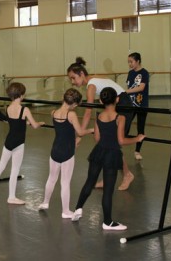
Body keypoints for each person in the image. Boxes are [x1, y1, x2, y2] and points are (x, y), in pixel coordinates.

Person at [71, 87, 146, 230]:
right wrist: (137, 138)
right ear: (117, 99)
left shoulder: (99, 116)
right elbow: (121, 141)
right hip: (112, 155)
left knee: (89, 182)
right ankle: (107, 222)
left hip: (98, 152)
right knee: (108, 190)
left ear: (101, 100)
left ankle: (78, 209)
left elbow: (97, 138)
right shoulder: (120, 118)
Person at [67, 56, 134, 190]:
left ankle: (127, 175)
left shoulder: (91, 86)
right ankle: (108, 177)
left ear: (81, 74)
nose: (72, 82)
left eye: (73, 78)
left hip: (123, 106)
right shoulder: (93, 78)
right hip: (116, 105)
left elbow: (88, 112)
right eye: (70, 79)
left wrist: (79, 136)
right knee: (105, 142)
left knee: (113, 144)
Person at [38, 88, 94, 219]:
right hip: (67, 152)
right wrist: (92, 129)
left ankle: (45, 202)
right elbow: (80, 132)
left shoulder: (53, 112)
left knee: (51, 178)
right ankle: (65, 211)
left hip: (55, 150)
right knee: (65, 182)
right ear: (74, 104)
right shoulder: (71, 114)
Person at [0, 82, 44, 204]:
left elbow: (14, 122)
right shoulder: (25, 109)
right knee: (15, 169)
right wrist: (40, 123)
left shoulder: (8, 108)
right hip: (19, 143)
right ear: (21, 95)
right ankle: (11, 197)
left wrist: (25, 123)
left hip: (9, 141)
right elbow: (35, 125)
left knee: (1, 165)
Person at [125, 52, 150, 160]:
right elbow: (129, 86)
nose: (130, 64)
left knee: (140, 128)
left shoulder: (144, 73)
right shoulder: (130, 73)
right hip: (131, 105)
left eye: (131, 62)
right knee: (126, 124)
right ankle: (119, 144)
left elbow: (141, 88)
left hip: (142, 105)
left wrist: (127, 91)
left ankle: (137, 151)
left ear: (138, 61)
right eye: (128, 62)